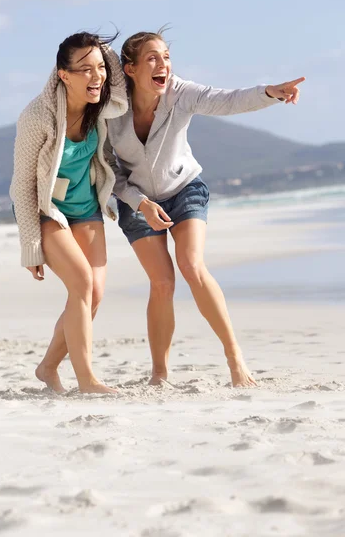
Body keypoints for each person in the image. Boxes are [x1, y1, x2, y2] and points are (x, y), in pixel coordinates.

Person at [105, 29, 304, 387]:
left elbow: (227, 100)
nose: (162, 63)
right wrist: (141, 203)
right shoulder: (112, 109)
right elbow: (110, 174)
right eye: (152, 58)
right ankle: (160, 374)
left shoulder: (179, 93)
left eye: (166, 56)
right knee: (162, 283)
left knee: (191, 266)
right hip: (136, 199)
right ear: (130, 69)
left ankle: (234, 359)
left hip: (183, 189)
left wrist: (270, 93)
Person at [10, 31, 127, 394]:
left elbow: (118, 83)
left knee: (93, 296)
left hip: (86, 208)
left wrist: (100, 48)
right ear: (63, 74)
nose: (97, 77)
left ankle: (47, 368)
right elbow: (22, 186)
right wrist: (31, 245)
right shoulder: (37, 116)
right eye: (85, 70)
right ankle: (87, 380)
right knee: (82, 284)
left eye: (100, 68)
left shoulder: (101, 103)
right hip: (50, 213)